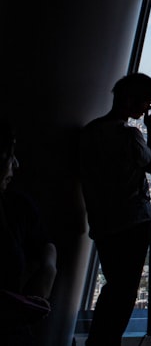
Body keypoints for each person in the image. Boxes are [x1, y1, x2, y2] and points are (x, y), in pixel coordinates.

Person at [79, 73, 151, 346]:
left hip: (103, 222)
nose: (145, 109)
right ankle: (106, 340)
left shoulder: (89, 131)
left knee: (114, 285)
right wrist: (150, 127)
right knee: (125, 291)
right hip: (133, 221)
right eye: (145, 102)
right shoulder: (129, 135)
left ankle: (100, 340)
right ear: (130, 100)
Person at [0, 120, 57, 346]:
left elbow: (45, 244)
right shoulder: (14, 206)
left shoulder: (16, 205)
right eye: (8, 155)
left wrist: (48, 270)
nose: (16, 164)